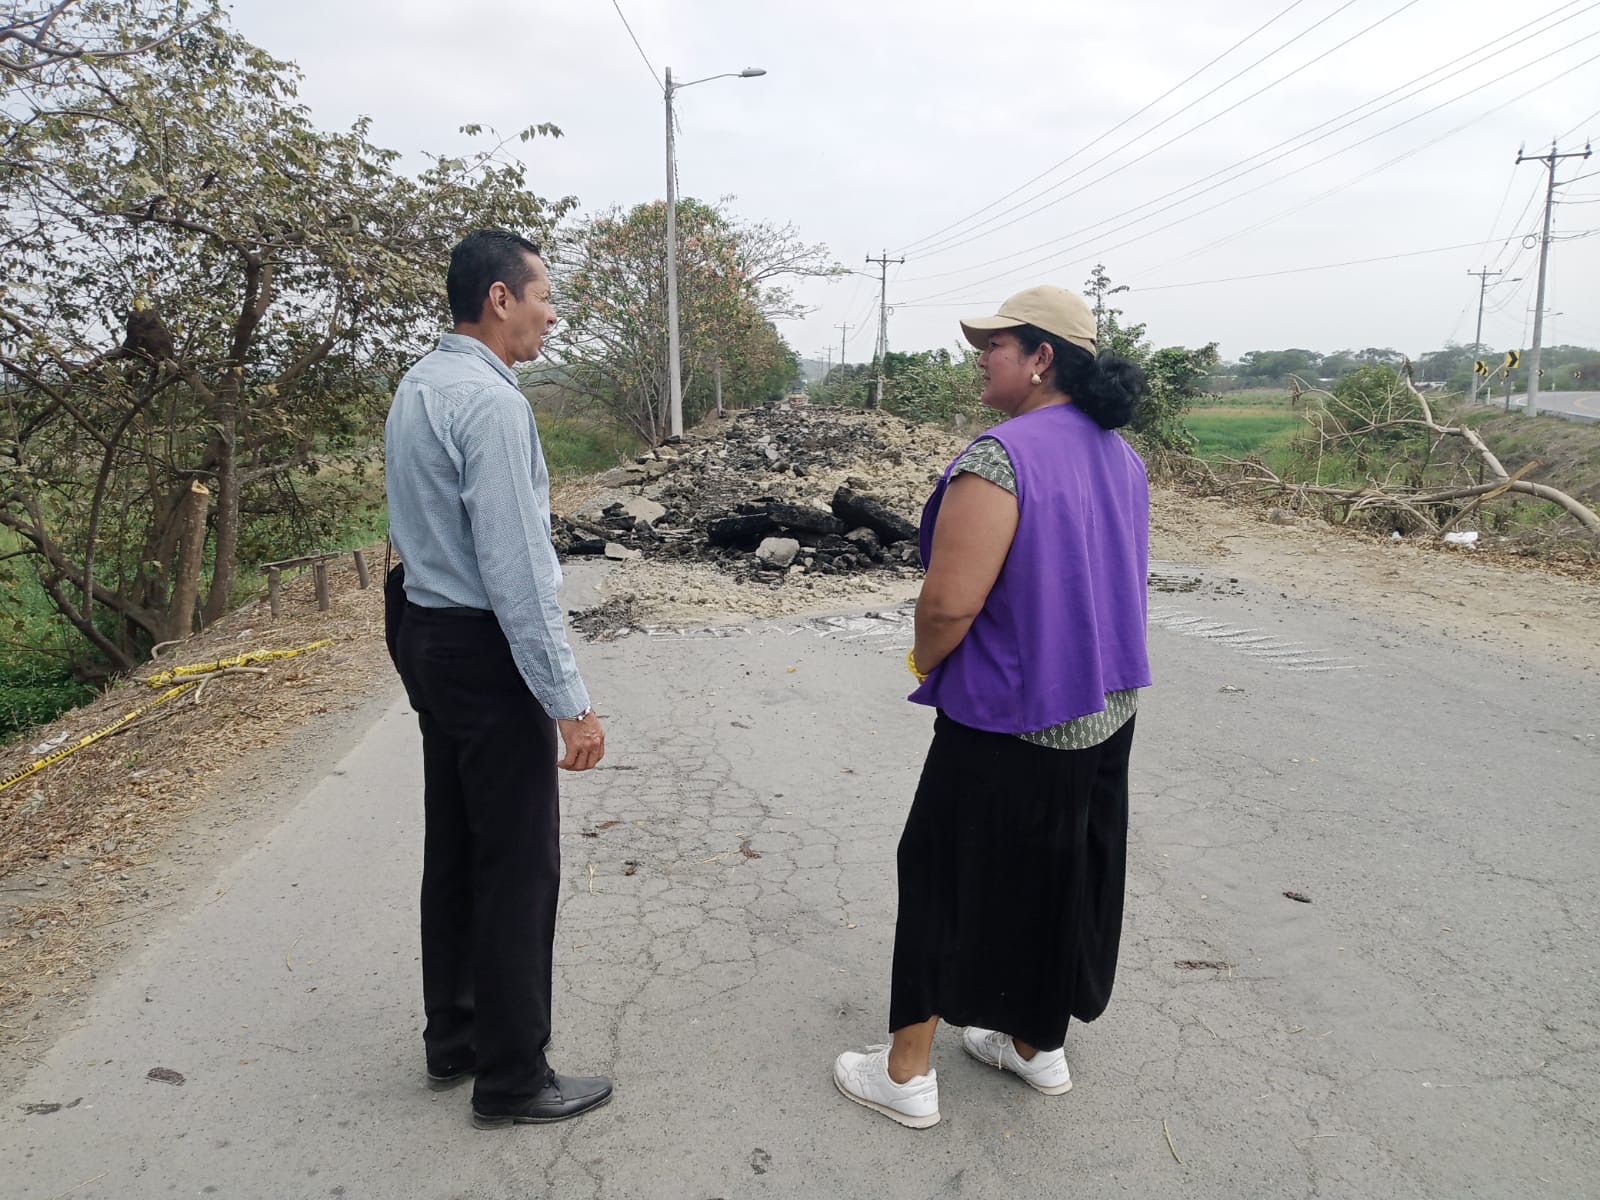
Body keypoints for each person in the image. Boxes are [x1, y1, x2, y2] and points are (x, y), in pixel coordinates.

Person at [833, 285, 1152, 1129]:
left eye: (995, 346)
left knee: (944, 875)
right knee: (1061, 877)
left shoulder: (1001, 458)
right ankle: (1035, 1047)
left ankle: (905, 1074)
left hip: (1013, 712)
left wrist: (924, 659)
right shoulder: (1120, 455)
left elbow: (948, 606)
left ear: (1042, 358)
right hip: (1105, 710)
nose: (980, 358)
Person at [385, 228, 611, 1129]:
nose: (552, 315)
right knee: (518, 864)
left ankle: (457, 1035)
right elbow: (517, 575)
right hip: (483, 651)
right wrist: (570, 704)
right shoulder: (490, 405)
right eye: (544, 296)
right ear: (500, 297)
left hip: (429, 635)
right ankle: (514, 1077)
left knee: (456, 846)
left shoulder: (419, 385)